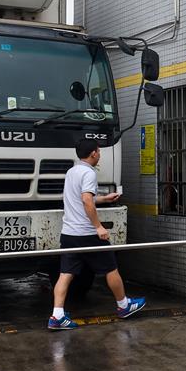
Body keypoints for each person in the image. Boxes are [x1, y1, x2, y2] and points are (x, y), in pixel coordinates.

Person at [48, 138, 145, 330]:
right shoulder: (89, 173)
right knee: (111, 268)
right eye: (99, 151)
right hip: (87, 234)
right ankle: (124, 305)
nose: (100, 155)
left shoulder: (72, 171)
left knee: (65, 273)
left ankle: (57, 315)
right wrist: (99, 227)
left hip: (69, 232)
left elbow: (84, 198)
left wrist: (105, 198)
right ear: (93, 153)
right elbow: (86, 201)